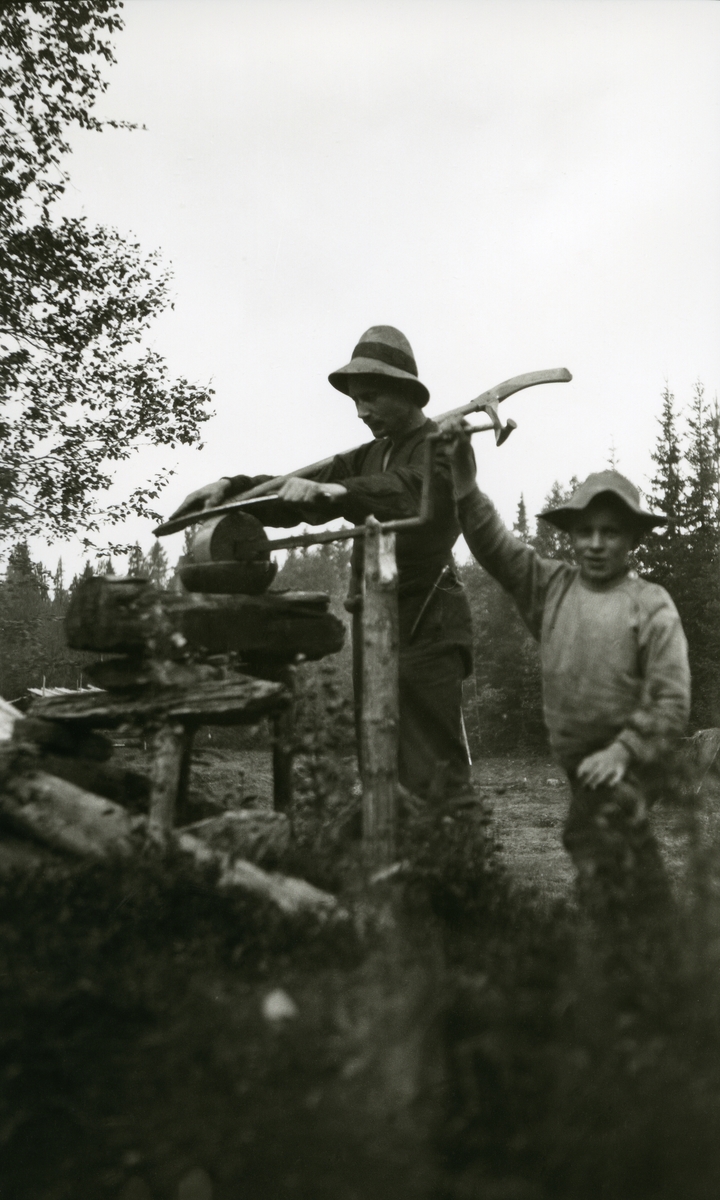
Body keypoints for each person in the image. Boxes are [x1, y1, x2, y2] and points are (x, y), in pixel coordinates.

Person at [171, 326, 474, 802]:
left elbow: (414, 492)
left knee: (433, 762)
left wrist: (339, 492)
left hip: (428, 621)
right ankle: (386, 845)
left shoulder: (441, 444)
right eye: (355, 401)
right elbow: (302, 490)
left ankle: (455, 848)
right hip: (375, 620)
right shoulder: (369, 455)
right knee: (378, 751)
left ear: (404, 390)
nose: (361, 411)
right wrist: (233, 490)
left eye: (370, 397)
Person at [441, 421, 691, 920]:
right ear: (571, 535)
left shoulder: (650, 604)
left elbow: (672, 699)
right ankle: (651, 947)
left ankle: (622, 949)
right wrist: (465, 483)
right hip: (581, 763)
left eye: (610, 532)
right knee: (618, 859)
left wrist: (624, 750)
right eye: (584, 531)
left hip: (631, 759)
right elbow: (498, 548)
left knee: (598, 842)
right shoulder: (552, 588)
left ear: (633, 539)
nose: (595, 543)